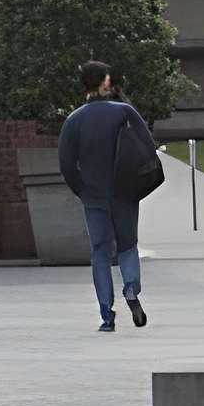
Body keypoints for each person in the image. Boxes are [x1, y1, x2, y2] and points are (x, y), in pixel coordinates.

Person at [57, 61, 156, 333]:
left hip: (93, 195)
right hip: (124, 192)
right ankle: (132, 290)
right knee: (127, 246)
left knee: (100, 252)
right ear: (104, 82)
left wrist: (83, 189)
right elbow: (148, 148)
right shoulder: (124, 112)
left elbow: (66, 164)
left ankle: (107, 316)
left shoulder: (74, 120)